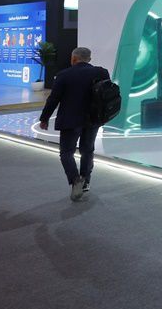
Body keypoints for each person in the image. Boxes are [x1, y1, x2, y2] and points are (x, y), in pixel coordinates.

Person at [38, 47, 110, 202]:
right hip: (93, 119)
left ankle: (75, 179)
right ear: (89, 59)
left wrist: (44, 118)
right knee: (87, 150)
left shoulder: (64, 75)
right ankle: (86, 181)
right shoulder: (102, 72)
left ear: (73, 59)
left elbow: (53, 99)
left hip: (70, 119)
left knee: (66, 152)